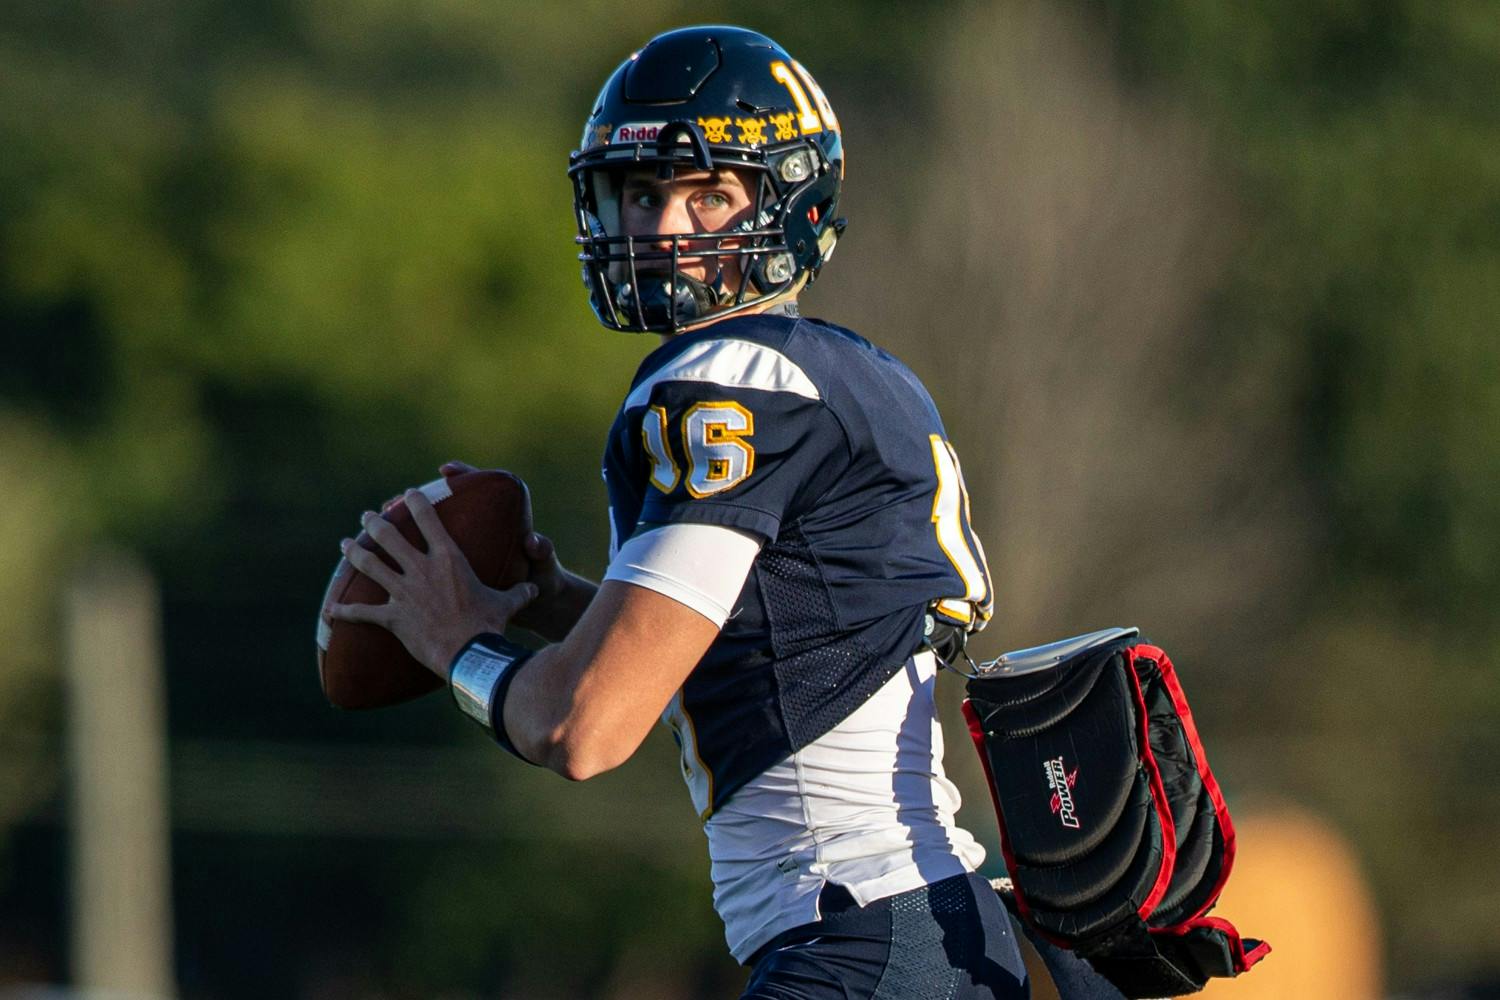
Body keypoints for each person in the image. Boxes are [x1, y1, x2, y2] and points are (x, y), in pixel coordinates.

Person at [330, 25, 1079, 999]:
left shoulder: (722, 381)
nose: (666, 227)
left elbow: (584, 729)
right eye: (645, 195)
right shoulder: (857, 372)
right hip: (927, 931)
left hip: (858, 934)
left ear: (788, 199)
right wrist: (554, 601)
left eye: (709, 193)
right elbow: (772, 641)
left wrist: (455, 640)